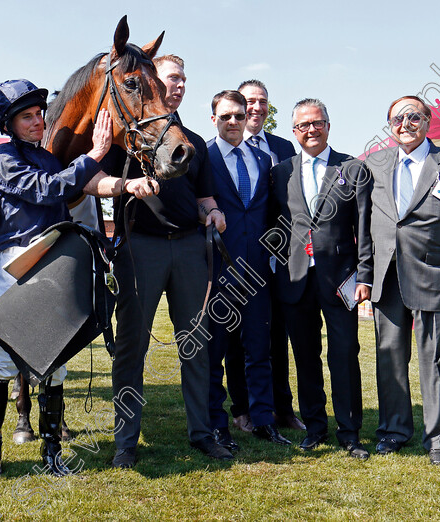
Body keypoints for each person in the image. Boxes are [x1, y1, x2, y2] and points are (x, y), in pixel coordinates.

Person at [0, 79, 159, 480]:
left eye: (39, 114)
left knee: (55, 361)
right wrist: (94, 153)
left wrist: (126, 183)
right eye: (27, 116)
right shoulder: (2, 158)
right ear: (8, 123)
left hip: (55, 263)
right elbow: (47, 190)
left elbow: (83, 183)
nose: (37, 121)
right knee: (2, 361)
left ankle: (51, 452)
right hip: (18, 264)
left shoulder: (49, 157)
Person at [110, 54, 231, 469]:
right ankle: (125, 441)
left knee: (195, 346)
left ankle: (202, 433)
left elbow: (204, 198)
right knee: (131, 347)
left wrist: (212, 214)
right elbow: (93, 182)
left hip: (190, 248)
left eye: (183, 79)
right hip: (139, 247)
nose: (177, 85)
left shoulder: (191, 141)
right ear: (150, 85)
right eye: (170, 79)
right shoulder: (122, 138)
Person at [366, 95, 440, 466]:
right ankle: (393, 431)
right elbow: (367, 226)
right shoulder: (375, 163)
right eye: (396, 118)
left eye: (413, 116)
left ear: (428, 121)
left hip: (435, 278)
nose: (405, 124)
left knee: (436, 360)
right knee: (390, 360)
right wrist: (364, 276)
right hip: (386, 276)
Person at [268, 98, 372, 458]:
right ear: (294, 131)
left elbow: (365, 229)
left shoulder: (353, 168)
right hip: (295, 280)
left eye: (317, 123)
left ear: (328, 125)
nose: (310, 130)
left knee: (344, 353)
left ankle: (349, 431)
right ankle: (315, 428)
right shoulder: (281, 171)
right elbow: (274, 227)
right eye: (302, 126)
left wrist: (365, 276)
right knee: (305, 356)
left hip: (341, 280)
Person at [205, 90, 290, 453]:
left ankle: (264, 421)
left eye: (239, 115)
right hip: (217, 270)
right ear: (214, 119)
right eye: (226, 116)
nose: (234, 122)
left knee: (260, 350)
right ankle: (216, 425)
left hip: (257, 272)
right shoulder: (201, 157)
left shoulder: (262, 158)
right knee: (214, 353)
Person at [224, 79, 301, 433]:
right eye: (249, 101)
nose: (256, 107)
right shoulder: (220, 149)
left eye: (263, 102)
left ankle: (281, 408)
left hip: (277, 260)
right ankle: (242, 408)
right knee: (239, 338)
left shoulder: (284, 147)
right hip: (237, 259)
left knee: (277, 336)